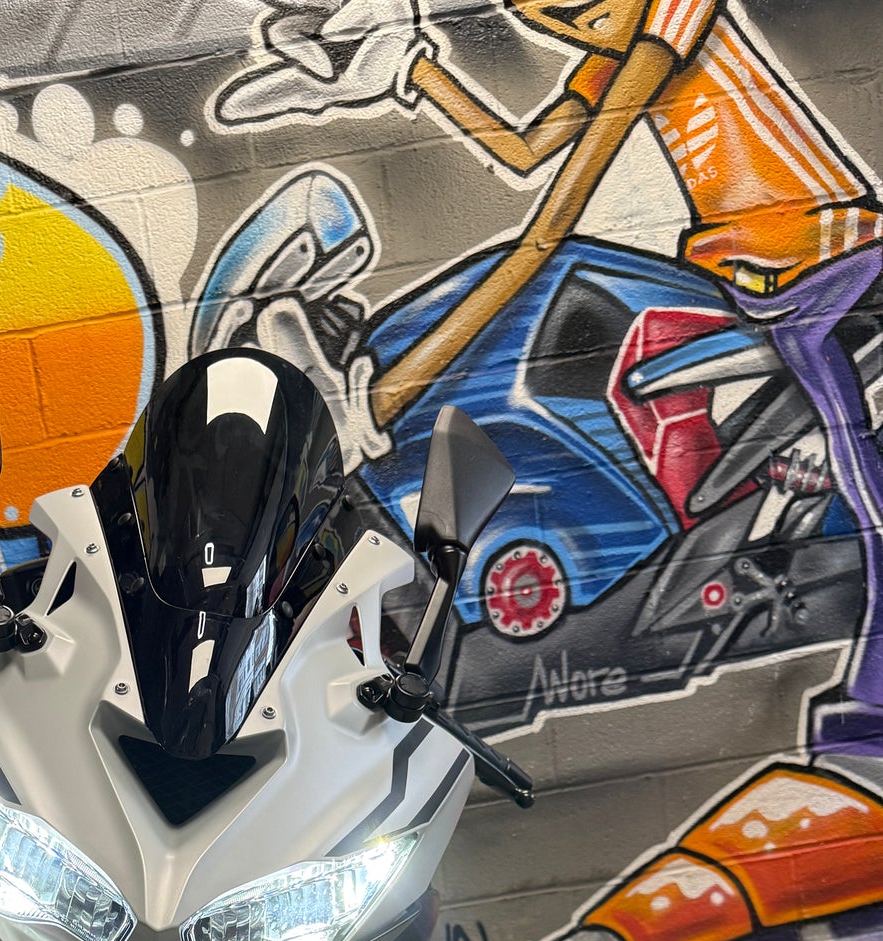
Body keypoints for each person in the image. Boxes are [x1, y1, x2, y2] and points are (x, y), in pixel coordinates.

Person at [216, 0, 883, 753]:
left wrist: (386, 398)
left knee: (862, 481)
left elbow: (548, 224)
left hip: (831, 267)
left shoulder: (674, 12)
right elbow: (528, 152)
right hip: (750, 283)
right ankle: (359, 402)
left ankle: (874, 696)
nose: (573, 25)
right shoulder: (615, 46)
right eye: (550, 20)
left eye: (578, 9)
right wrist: (407, 66)